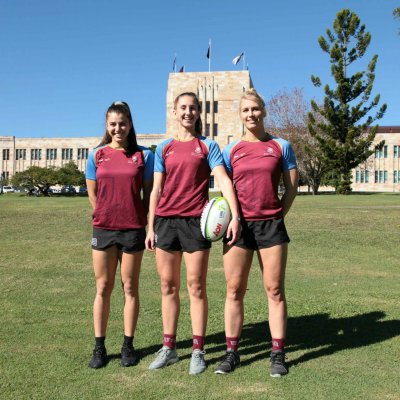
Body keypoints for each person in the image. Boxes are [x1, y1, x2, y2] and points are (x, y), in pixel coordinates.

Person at [145, 92, 241, 375]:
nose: (187, 112)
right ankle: (169, 348)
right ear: (174, 112)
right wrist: (150, 226)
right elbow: (156, 190)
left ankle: (198, 350)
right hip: (165, 222)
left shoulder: (208, 146)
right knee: (167, 286)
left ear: (199, 112)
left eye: (192, 108)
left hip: (195, 224)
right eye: (182, 108)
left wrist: (235, 215)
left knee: (196, 287)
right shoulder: (163, 148)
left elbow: (223, 179)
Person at [214, 88, 298, 378]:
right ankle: (231, 353)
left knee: (274, 290)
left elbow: (291, 188)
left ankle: (277, 353)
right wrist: (233, 218)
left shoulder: (281, 146)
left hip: (271, 226)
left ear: (264, 111)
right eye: (245, 110)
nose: (251, 114)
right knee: (234, 290)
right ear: (240, 115)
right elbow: (224, 187)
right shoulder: (230, 150)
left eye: (255, 109)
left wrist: (276, 216)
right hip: (238, 226)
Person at [85, 101, 154, 369]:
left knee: (130, 288)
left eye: (122, 123)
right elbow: (92, 193)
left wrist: (145, 221)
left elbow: (149, 194)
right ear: (106, 125)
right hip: (103, 229)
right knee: (103, 287)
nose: (118, 129)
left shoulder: (143, 155)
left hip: (133, 230)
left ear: (130, 124)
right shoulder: (97, 155)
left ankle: (128, 345)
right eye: (113, 124)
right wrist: (104, 214)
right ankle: (99, 347)